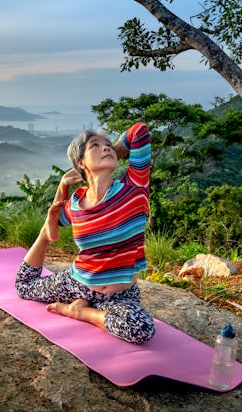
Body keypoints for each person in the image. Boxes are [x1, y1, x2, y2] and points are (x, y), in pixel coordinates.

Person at [15, 121, 155, 344]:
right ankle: (85, 302)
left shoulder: (133, 188)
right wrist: (62, 186)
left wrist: (112, 153)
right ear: (80, 161)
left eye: (107, 144)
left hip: (118, 295)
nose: (105, 147)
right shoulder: (76, 202)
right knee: (23, 286)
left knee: (141, 329)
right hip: (76, 283)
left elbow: (140, 131)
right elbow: (55, 221)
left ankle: (82, 312)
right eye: (95, 146)